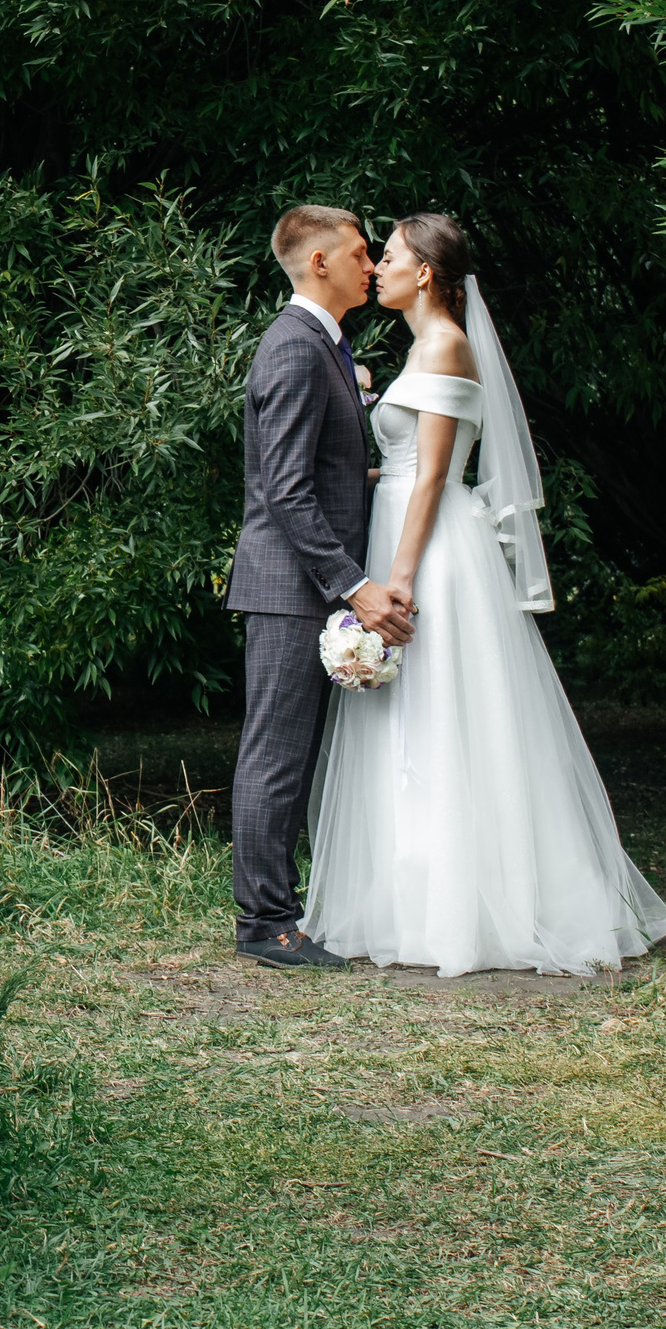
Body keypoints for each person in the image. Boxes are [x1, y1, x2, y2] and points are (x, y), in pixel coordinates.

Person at [300, 213, 666, 976]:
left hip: (429, 549)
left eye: (393, 256)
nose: (377, 268)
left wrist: (397, 581)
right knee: (406, 721)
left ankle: (467, 906)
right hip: (402, 529)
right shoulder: (420, 348)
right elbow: (409, 467)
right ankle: (410, 898)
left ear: (426, 273)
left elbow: (435, 476)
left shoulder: (445, 344)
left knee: (444, 713)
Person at [223, 205, 412, 968]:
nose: (372, 265)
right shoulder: (295, 348)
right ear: (321, 262)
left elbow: (323, 476)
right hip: (287, 585)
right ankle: (264, 924)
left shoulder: (325, 345)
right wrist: (356, 586)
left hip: (300, 582)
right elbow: (286, 494)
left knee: (291, 755)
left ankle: (282, 912)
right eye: (362, 253)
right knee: (275, 755)